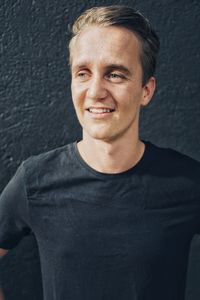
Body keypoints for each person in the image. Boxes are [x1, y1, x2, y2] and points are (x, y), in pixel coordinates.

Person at [0, 5, 200, 300]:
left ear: (146, 90)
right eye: (83, 73)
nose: (95, 91)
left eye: (115, 74)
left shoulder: (188, 182)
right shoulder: (35, 179)